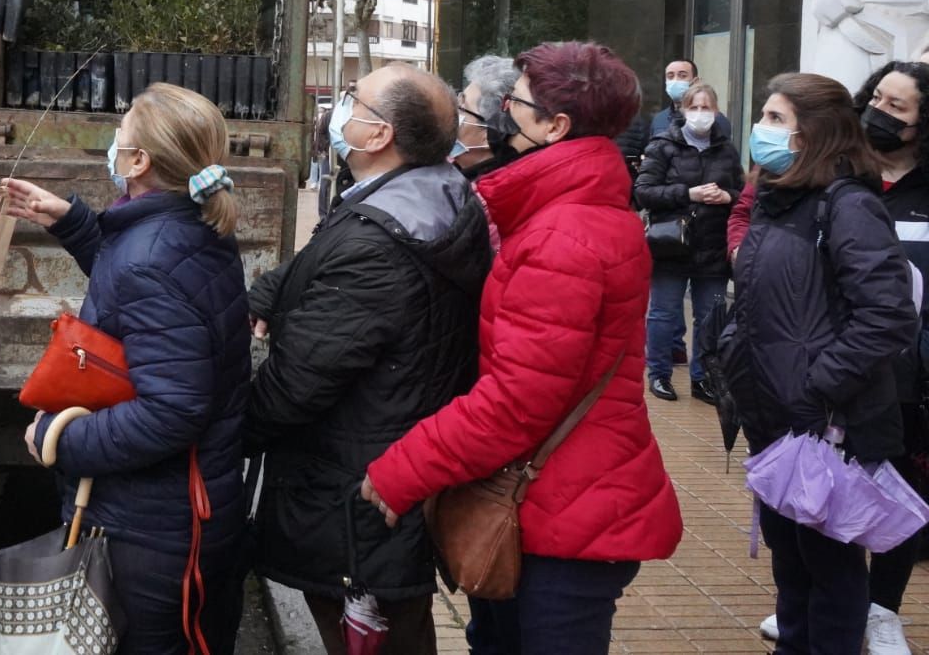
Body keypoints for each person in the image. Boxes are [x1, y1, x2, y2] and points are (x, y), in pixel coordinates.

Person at [361, 41, 683, 655]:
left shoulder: (565, 235)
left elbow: (518, 400)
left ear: (555, 126)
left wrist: (403, 469)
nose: (504, 111)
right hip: (560, 499)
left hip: (564, 514)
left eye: (518, 102)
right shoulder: (570, 211)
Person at [245, 65, 491, 654]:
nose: (341, 106)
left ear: (379, 136)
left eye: (353, 99)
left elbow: (293, 388)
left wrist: (220, 423)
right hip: (375, 477)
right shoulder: (415, 199)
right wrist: (269, 294)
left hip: (353, 500)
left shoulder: (379, 242)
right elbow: (319, 265)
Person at [1, 83, 250, 655]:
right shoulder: (189, 229)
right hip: (180, 518)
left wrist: (57, 439)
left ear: (138, 160)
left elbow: (171, 410)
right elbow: (140, 297)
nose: (112, 142)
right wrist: (72, 223)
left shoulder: (152, 258)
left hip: (154, 533)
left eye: (121, 134)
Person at [726, 73, 917, 654]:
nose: (763, 129)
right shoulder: (781, 200)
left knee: (830, 567)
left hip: (826, 424)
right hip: (775, 416)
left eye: (777, 119)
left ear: (815, 133)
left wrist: (819, 386)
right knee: (792, 565)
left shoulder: (848, 204)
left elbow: (886, 315)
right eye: (765, 116)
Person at [634, 81, 743, 404]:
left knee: (709, 317)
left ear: (717, 111)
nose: (699, 114)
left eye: (706, 107)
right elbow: (644, 191)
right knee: (663, 314)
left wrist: (727, 196)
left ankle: (702, 377)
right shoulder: (663, 145)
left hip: (712, 246)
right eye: (693, 107)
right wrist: (688, 194)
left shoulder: (726, 149)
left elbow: (744, 196)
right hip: (672, 244)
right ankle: (659, 374)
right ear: (682, 111)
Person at [454, 53, 521, 181]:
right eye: (459, 98)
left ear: (489, 136)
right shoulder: (455, 174)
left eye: (463, 107)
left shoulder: (488, 194)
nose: (453, 111)